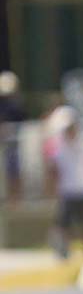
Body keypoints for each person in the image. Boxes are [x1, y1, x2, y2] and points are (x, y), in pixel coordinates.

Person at [48, 106, 83, 259]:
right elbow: (53, 169)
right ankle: (63, 251)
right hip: (67, 191)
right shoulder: (58, 147)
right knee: (64, 225)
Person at [0, 71, 26, 204]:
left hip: (13, 142)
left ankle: (16, 197)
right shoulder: (6, 104)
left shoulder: (15, 104)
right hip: (7, 142)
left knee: (13, 169)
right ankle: (12, 196)